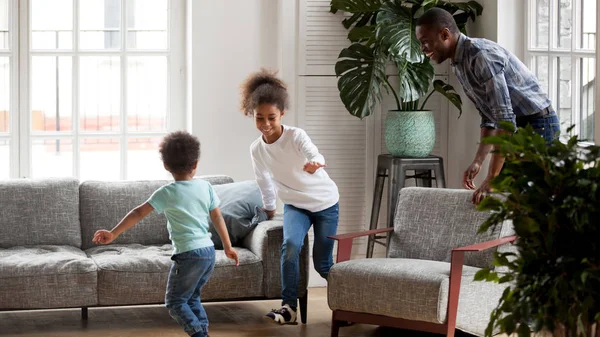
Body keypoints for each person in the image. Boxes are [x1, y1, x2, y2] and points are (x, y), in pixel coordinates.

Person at [92, 130, 239, 337]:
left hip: (188, 255)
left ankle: (199, 334)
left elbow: (138, 212)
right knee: (192, 298)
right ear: (195, 164)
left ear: (166, 166)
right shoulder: (206, 187)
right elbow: (217, 218)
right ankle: (202, 331)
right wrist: (227, 246)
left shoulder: (167, 192)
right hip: (208, 253)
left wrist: (113, 233)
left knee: (174, 302)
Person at [415, 8, 560, 204]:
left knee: (522, 201)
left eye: (424, 42)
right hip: (517, 127)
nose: (422, 48)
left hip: (539, 125)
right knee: (506, 201)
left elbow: (505, 120)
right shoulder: (459, 63)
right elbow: (489, 116)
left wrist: (492, 177)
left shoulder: (480, 56)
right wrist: (478, 162)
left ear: (445, 35)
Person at [240, 69, 340, 325]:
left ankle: (351, 304)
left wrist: (316, 162)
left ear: (282, 113)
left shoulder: (296, 136)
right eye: (259, 118)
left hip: (325, 204)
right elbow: (263, 180)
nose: (266, 124)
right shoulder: (256, 149)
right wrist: (270, 208)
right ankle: (289, 308)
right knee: (290, 248)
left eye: (271, 117)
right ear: (252, 115)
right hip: (296, 206)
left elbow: (314, 153)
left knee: (323, 264)